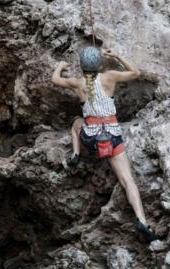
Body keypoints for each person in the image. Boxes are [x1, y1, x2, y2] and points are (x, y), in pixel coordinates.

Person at [51, 47, 157, 242]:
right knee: (128, 181)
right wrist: (117, 56)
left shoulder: (77, 83)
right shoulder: (110, 76)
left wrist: (60, 65)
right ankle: (142, 220)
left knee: (76, 123)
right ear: (100, 64)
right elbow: (136, 73)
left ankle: (75, 153)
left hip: (91, 139)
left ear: (82, 66)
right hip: (112, 137)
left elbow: (55, 80)